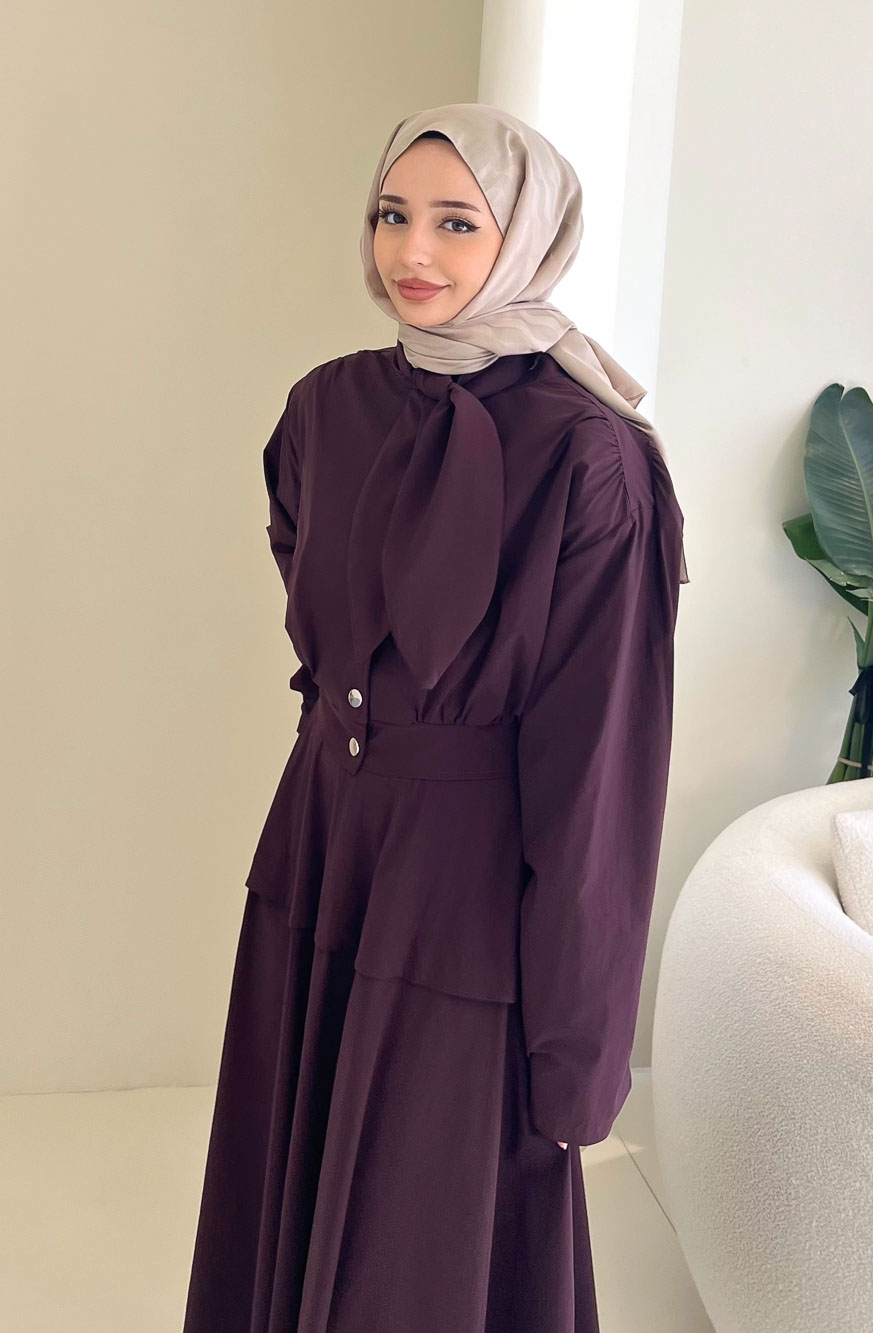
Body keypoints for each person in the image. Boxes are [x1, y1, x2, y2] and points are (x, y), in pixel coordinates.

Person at [182, 101, 688, 1333]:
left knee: (423, 1234)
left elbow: (598, 776)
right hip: (321, 846)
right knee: (295, 1186)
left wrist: (577, 1042)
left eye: (457, 222)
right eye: (392, 214)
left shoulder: (592, 460)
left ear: (527, 235)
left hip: (466, 891)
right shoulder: (324, 408)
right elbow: (316, 593)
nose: (413, 251)